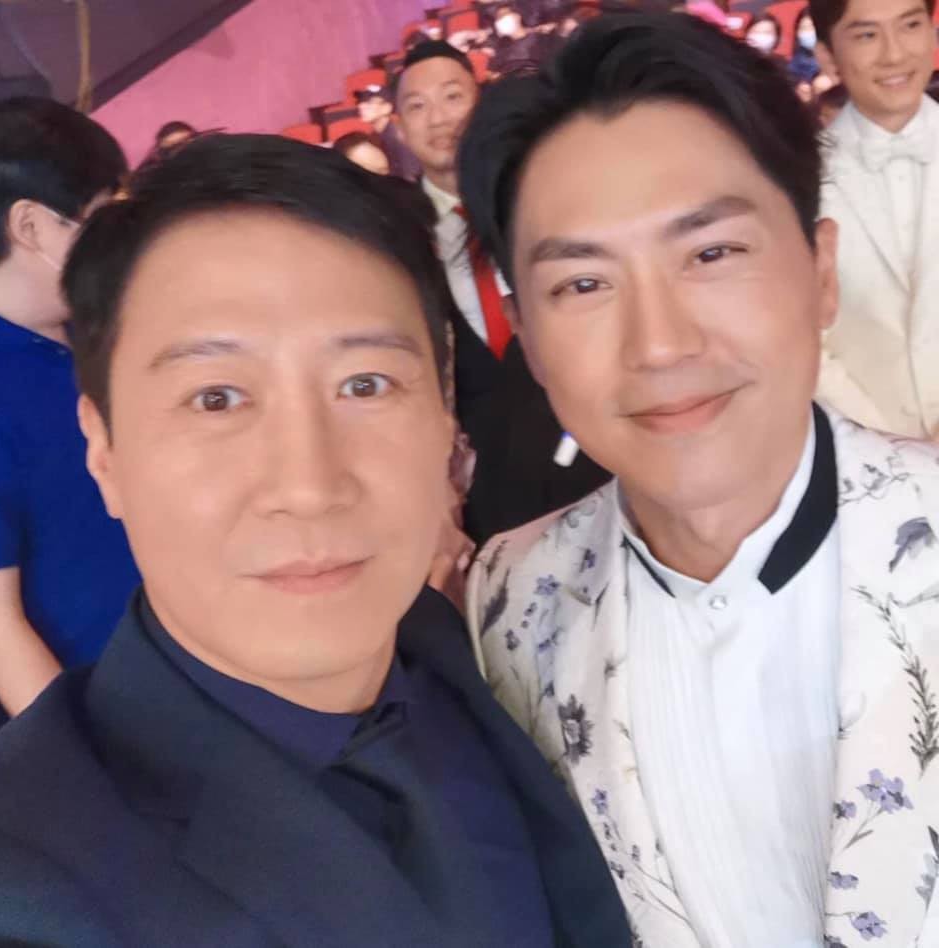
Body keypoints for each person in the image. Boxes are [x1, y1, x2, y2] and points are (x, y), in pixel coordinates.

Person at [0, 133, 630, 948]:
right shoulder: (15, 882)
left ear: (444, 413)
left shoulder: (476, 648)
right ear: (103, 449)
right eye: (216, 398)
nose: (309, 485)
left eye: (365, 384)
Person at [461, 12, 939, 947]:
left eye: (712, 254)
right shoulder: (507, 599)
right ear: (529, 338)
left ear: (821, 271)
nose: (661, 345)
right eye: (583, 284)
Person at [396, 40, 609, 543]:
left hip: (595, 448)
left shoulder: (542, 193)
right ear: (400, 128)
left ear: (481, 99)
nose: (438, 118)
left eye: (452, 96)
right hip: (487, 499)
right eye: (418, 106)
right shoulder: (396, 234)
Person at [0, 97, 138, 723]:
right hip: (115, 719)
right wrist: (79, 764)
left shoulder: (97, 331)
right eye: (99, 219)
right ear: (31, 226)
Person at [812, 0, 939, 437]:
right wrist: (887, 444)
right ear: (828, 55)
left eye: (910, 26)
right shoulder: (798, 177)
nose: (895, 53)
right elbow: (800, 335)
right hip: (864, 450)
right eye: (867, 35)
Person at [354, 85, 422, 180]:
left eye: (369, 102)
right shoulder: (376, 135)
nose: (361, 106)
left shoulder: (398, 137)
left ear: (387, 108)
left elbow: (411, 178)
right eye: (360, 101)